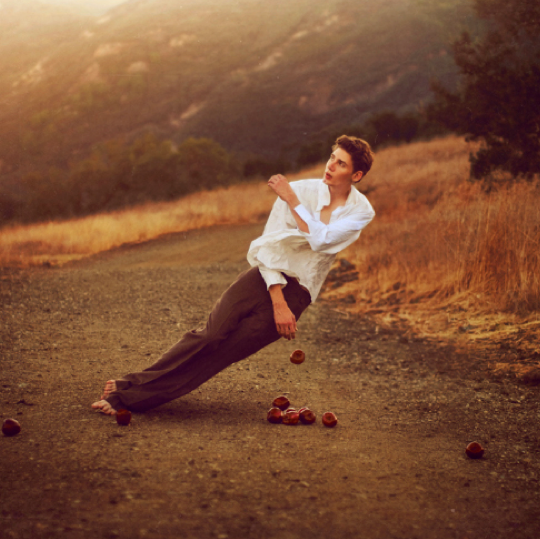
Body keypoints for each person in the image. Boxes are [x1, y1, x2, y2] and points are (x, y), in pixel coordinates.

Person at [92, 135, 375, 415]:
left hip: (299, 293)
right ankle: (130, 383)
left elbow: (321, 241)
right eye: (332, 158)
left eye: (341, 164)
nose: (330, 165)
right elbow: (269, 247)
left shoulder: (359, 212)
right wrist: (277, 301)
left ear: (357, 174)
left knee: (220, 356)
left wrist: (291, 200)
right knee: (209, 336)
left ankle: (130, 399)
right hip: (262, 277)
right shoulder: (302, 189)